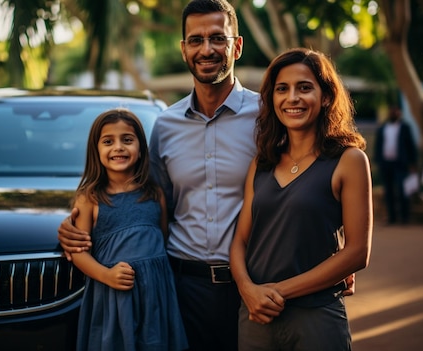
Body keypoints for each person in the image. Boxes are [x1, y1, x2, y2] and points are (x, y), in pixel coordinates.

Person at [58, 1, 353, 349]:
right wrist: (77, 226)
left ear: (237, 46)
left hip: (256, 286)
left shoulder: (269, 116)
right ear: (183, 49)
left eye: (217, 38)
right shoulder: (165, 125)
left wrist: (335, 248)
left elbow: (308, 175)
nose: (207, 49)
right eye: (196, 40)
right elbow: (144, 198)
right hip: (183, 290)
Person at [229, 48, 373, 350]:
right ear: (272, 99)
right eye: (282, 89)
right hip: (256, 317)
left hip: (316, 317)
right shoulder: (262, 163)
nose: (292, 98)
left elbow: (357, 252)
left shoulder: (349, 160)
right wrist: (248, 290)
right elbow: (241, 240)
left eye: (304, 87)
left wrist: (277, 291)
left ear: (325, 97)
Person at [69, 108, 187, 350]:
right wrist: (107, 275)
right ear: (96, 150)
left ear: (141, 148)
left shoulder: (154, 193)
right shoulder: (89, 198)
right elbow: (78, 252)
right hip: (115, 296)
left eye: (127, 140)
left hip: (155, 294)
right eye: (108, 141)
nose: (118, 147)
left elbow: (161, 238)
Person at [373, 105, 418, 224]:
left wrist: (413, 163)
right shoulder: (383, 128)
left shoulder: (405, 128)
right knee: (388, 191)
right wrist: (377, 161)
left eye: (396, 111)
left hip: (401, 164)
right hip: (386, 164)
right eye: (391, 110)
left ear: (400, 113)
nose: (393, 112)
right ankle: (392, 217)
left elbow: (410, 146)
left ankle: (405, 218)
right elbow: (378, 145)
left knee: (403, 191)